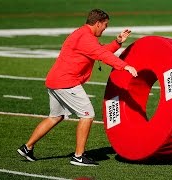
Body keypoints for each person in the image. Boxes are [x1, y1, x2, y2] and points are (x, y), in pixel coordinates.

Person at [17, 9, 138, 166]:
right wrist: (125, 66)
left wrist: (117, 42)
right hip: (66, 82)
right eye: (105, 25)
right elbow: (102, 56)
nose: (105, 28)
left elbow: (98, 52)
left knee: (55, 116)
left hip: (56, 80)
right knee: (87, 114)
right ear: (98, 23)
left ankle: (27, 147)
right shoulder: (86, 38)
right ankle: (79, 156)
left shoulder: (82, 34)